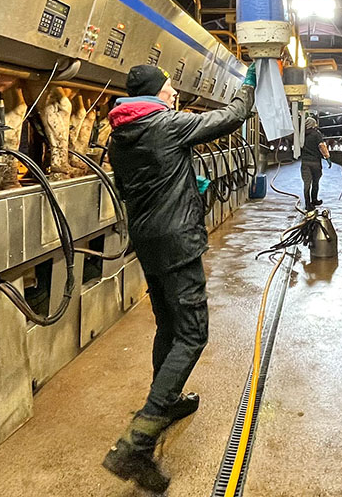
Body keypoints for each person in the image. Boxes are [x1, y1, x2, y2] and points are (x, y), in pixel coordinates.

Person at [102, 62, 256, 493]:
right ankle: (137, 442)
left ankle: (164, 403)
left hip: (148, 242)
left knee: (167, 327)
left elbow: (141, 187)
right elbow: (230, 118)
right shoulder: (166, 125)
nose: (174, 95)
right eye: (170, 89)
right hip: (177, 244)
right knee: (192, 334)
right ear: (154, 96)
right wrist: (248, 85)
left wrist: (187, 187)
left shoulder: (120, 137)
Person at [301, 116, 330, 210]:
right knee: (315, 182)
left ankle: (307, 204)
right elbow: (322, 146)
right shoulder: (317, 134)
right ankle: (314, 200)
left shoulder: (302, 134)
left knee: (307, 183)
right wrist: (327, 157)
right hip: (315, 163)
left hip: (305, 162)